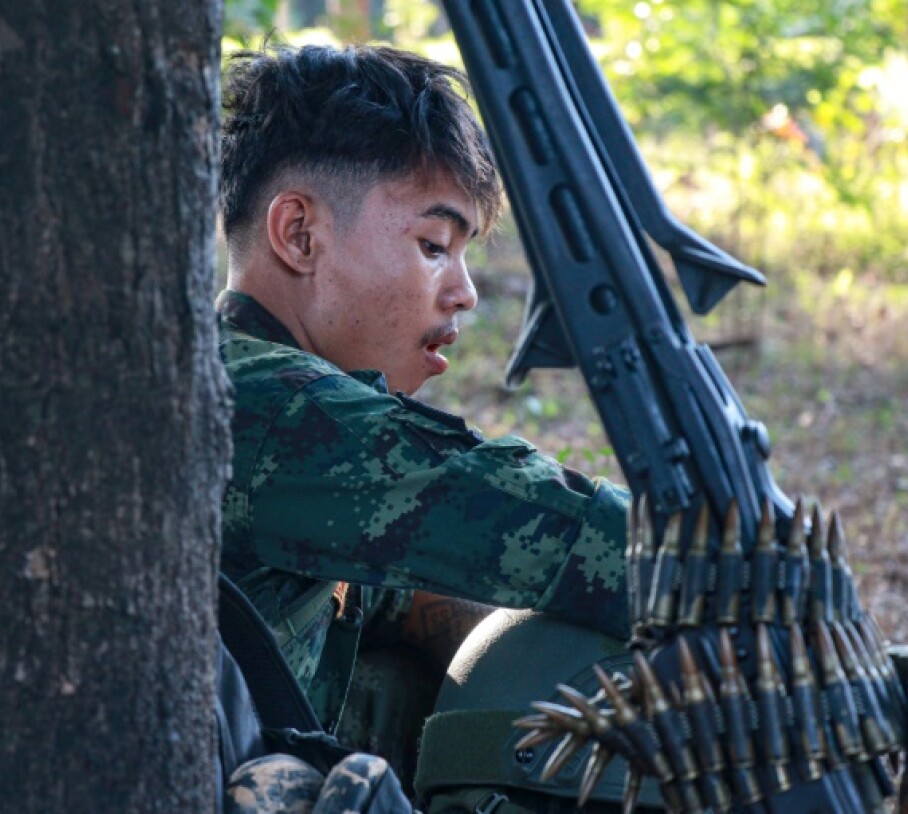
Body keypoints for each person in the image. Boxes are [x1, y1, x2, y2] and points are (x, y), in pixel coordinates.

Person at [216, 41, 631, 804]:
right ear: (299, 234)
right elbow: (559, 533)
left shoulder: (267, 400)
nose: (465, 293)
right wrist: (749, 571)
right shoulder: (269, 406)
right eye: (433, 246)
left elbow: (413, 598)